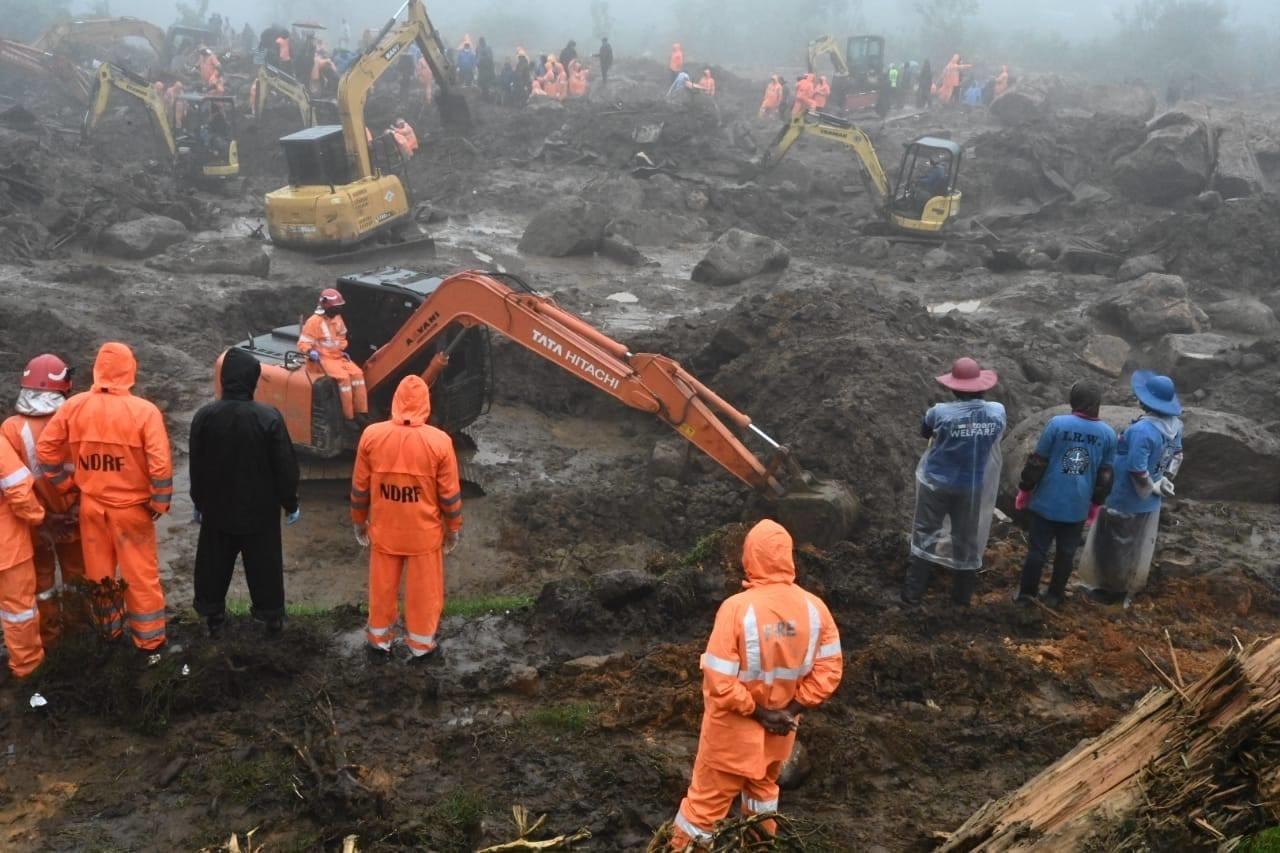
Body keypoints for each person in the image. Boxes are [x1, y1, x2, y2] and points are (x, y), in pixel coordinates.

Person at [668, 520, 843, 849]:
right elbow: (829, 671)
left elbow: (720, 681)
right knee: (762, 800)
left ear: (750, 556)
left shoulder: (736, 609)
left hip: (729, 737)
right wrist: (788, 712)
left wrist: (760, 713)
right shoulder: (815, 609)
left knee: (702, 811)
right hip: (779, 736)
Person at [36, 343, 172, 653]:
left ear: (97, 370)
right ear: (130, 371)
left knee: (99, 576)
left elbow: (46, 451)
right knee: (140, 577)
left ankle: (108, 633)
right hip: (131, 510)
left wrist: (66, 485)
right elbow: (161, 465)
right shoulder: (144, 412)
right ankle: (149, 641)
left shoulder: (74, 407)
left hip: (91, 507)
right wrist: (159, 504)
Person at [190, 348, 300, 638]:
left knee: (213, 565)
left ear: (225, 379)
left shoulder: (205, 416)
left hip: (217, 509)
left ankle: (212, 616)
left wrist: (198, 501)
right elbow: (285, 465)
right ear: (253, 380)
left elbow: (196, 465)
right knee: (265, 567)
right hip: (260, 512)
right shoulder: (269, 417)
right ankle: (271, 620)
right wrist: (290, 502)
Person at [351, 375, 462, 660]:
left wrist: (358, 520)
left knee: (382, 589)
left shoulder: (372, 436)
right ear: (426, 403)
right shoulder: (439, 441)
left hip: (385, 531)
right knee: (424, 594)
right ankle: (421, 646)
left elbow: (360, 487)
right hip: (424, 535)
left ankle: (378, 641)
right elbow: (449, 495)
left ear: (395, 401)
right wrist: (453, 529)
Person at [903, 357, 1006, 607]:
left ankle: (911, 597)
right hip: (970, 487)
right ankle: (961, 599)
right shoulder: (996, 411)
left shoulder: (939, 412)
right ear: (982, 386)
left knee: (926, 534)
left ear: (953, 387)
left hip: (936, 484)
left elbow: (925, 431)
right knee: (966, 539)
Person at [1079, 372, 1183, 606]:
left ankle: (1109, 590)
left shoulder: (1142, 431)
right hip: (1148, 503)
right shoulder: (1176, 426)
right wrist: (1166, 478)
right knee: (1133, 543)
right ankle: (1123, 587)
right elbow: (1177, 455)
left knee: (1114, 543)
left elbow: (1136, 468)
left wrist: (1150, 486)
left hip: (1124, 496)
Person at [2, 354, 84, 649]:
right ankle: (79, 636)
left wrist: (42, 518)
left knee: (43, 586)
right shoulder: (76, 421)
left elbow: (11, 484)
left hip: (36, 525)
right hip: (74, 520)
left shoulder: (10, 429)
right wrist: (76, 508)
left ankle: (50, 640)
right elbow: (90, 470)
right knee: (78, 580)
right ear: (64, 387)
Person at [1013, 382, 1116, 608]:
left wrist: (1025, 489)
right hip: (1077, 506)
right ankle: (1055, 596)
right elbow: (1105, 476)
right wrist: (1096, 504)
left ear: (1073, 400)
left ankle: (1026, 596)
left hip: (1046, 502)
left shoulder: (1057, 425)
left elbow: (1037, 462)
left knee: (1037, 551)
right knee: (1066, 553)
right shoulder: (1108, 434)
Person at [298, 289, 369, 423]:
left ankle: (361, 412)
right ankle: (348, 417)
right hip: (322, 359)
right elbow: (303, 342)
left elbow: (341, 336)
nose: (338, 309)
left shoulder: (337, 319)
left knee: (357, 374)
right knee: (344, 379)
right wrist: (310, 352)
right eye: (336, 307)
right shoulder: (314, 322)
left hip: (337, 356)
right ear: (325, 304)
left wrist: (341, 349)